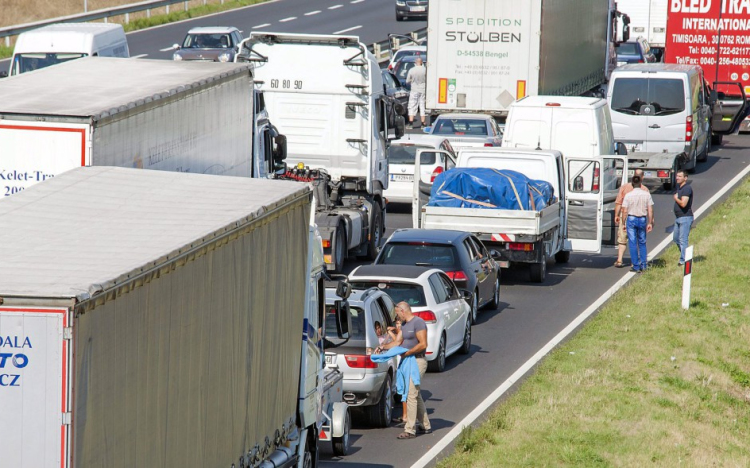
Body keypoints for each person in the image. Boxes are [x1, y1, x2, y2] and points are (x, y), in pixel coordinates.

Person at [386, 302, 431, 439]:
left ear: (403, 310)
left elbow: (423, 344)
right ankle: (425, 425)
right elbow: (397, 343)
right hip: (408, 361)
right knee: (415, 394)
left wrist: (408, 353)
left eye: (397, 313)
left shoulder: (418, 323)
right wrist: (383, 347)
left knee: (411, 394)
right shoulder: (404, 326)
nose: (397, 317)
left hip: (417, 361)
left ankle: (410, 429)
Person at [614, 168, 651, 268]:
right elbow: (649, 208)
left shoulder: (625, 188)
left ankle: (620, 260)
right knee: (640, 241)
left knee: (623, 239)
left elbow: (619, 203)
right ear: (642, 177)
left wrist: (617, 216)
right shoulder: (645, 190)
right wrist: (651, 221)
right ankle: (637, 263)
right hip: (641, 217)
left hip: (627, 216)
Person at [621, 174, 654, 273]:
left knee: (632, 243)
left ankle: (635, 265)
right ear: (640, 184)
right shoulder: (647, 194)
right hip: (642, 219)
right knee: (642, 242)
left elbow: (625, 211)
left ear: (632, 184)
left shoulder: (628, 195)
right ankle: (644, 264)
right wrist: (650, 222)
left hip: (631, 219)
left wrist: (623, 223)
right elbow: (650, 210)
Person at [672, 170, 694, 266]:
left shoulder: (687, 188)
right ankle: (686, 255)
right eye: (677, 176)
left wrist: (676, 198)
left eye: (680, 176)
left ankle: (684, 260)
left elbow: (684, 204)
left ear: (685, 178)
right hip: (678, 217)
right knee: (676, 238)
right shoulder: (679, 187)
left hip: (685, 217)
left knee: (682, 239)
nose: (677, 178)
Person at [405, 57, 426, 129]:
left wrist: (412, 80)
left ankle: (410, 123)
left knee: (412, 106)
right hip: (422, 90)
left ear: (415, 62)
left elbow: (407, 81)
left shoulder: (412, 70)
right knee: (422, 105)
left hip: (414, 90)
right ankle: (423, 123)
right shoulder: (425, 70)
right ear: (422, 62)